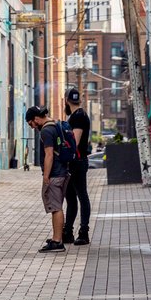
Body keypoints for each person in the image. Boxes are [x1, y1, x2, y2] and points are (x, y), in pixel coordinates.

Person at [28, 106, 68, 253]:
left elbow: (49, 154)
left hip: (55, 174)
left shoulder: (46, 130)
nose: (32, 127)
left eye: (31, 123)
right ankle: (56, 238)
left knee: (56, 208)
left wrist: (46, 175)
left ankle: (57, 242)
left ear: (36, 119)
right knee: (56, 207)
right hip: (62, 171)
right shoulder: (55, 124)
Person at [63, 87, 92, 246]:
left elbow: (75, 141)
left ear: (66, 100)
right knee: (71, 198)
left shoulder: (79, 116)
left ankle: (83, 232)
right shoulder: (76, 115)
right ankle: (68, 232)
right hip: (74, 162)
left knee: (81, 196)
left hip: (77, 162)